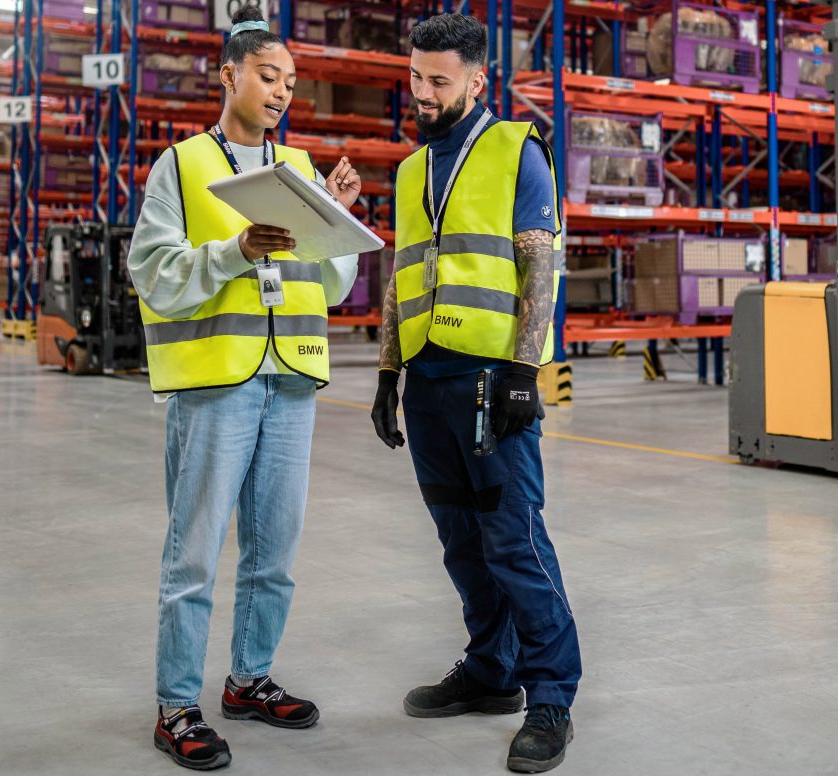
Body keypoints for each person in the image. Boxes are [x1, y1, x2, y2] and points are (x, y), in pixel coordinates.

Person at [126, 7, 364, 771]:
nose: (282, 91)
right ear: (228, 76)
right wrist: (233, 251)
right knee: (194, 553)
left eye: (291, 81)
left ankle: (249, 679)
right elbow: (153, 273)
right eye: (269, 76)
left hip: (290, 378)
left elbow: (332, 282)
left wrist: (338, 217)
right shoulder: (182, 166)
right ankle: (176, 706)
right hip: (216, 384)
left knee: (275, 551)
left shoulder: (300, 170)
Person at [368, 13, 580, 774]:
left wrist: (525, 372)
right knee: (460, 542)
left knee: (514, 541)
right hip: (428, 383)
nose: (422, 92)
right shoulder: (408, 170)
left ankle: (551, 695)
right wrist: (387, 373)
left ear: (476, 80)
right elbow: (399, 275)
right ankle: (492, 670)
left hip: (493, 382)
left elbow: (539, 263)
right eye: (415, 78)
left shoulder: (516, 149)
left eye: (438, 80)